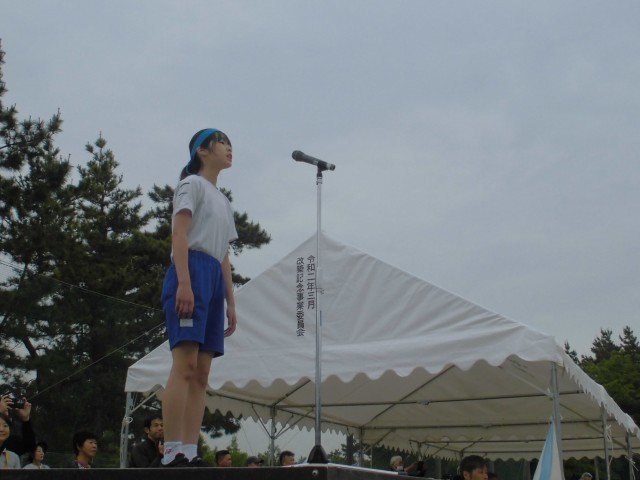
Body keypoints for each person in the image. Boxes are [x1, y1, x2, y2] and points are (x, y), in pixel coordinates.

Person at [160, 128, 238, 468]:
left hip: (214, 280)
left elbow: (224, 255)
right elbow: (179, 234)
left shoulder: (224, 201)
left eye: (230, 143)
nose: (229, 148)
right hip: (190, 269)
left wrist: (231, 301)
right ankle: (172, 450)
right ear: (202, 151)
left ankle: (190, 451)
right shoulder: (190, 184)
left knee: (203, 372)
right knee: (186, 365)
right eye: (222, 142)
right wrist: (184, 283)